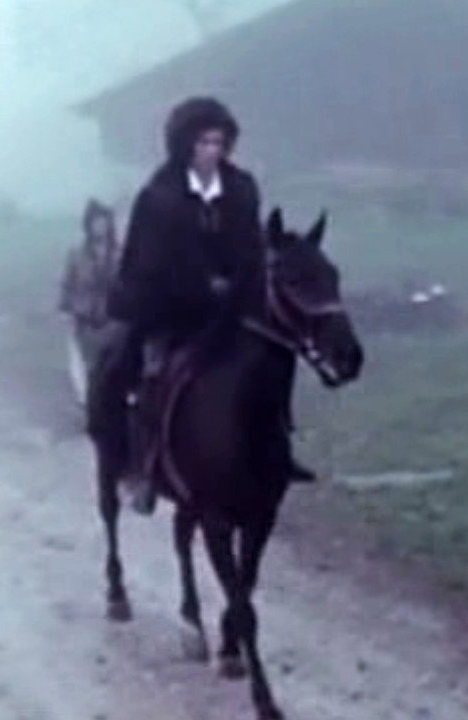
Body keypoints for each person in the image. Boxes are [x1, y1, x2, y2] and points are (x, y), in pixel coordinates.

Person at [101, 96, 316, 515]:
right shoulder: (158, 197)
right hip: (169, 311)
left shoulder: (242, 188)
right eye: (203, 143)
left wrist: (240, 283)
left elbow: (250, 246)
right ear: (184, 145)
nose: (211, 152)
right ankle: (141, 466)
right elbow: (146, 261)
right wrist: (199, 286)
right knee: (133, 371)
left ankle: (277, 451)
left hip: (231, 309)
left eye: (218, 143)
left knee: (275, 356)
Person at [59, 199, 124, 406]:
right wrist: (67, 311)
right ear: (88, 225)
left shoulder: (121, 254)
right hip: (86, 323)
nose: (100, 227)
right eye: (95, 222)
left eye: (103, 221)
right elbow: (67, 285)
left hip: (114, 322)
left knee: (115, 368)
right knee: (91, 370)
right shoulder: (76, 255)